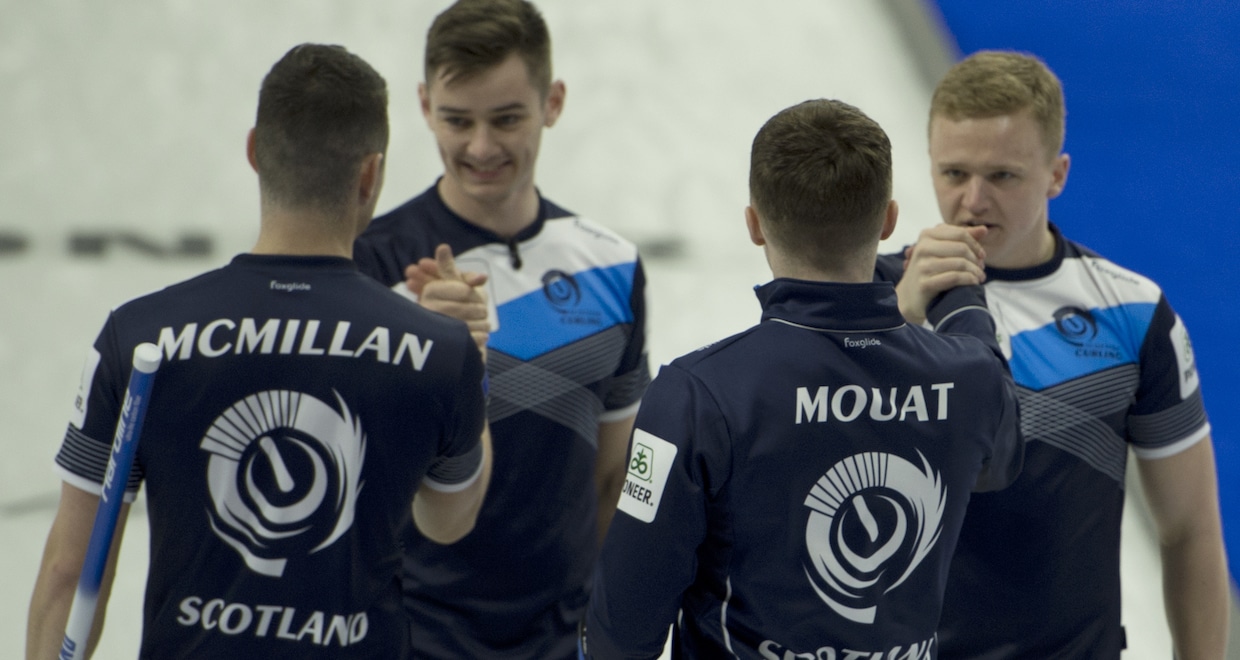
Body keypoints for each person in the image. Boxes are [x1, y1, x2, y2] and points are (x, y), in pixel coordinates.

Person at [26, 43, 492, 660]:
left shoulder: (141, 336)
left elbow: (69, 573)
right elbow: (448, 520)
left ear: (253, 151)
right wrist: (474, 365)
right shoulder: (438, 353)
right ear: (370, 174)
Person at [580, 99, 1023, 659]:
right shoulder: (972, 378)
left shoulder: (698, 395)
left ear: (755, 225)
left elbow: (623, 627)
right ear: (888, 219)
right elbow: (999, 459)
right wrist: (963, 296)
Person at [877, 50, 1229, 658]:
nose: (973, 201)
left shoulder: (1132, 313)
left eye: (1003, 177)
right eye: (953, 174)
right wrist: (898, 322)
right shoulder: (871, 299)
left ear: (1057, 174)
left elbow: (1190, 529)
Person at [351, 1, 650, 657]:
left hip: (560, 641)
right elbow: (350, 480)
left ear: (554, 102)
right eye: (458, 121)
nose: (481, 148)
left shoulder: (612, 265)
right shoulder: (369, 265)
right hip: (413, 637)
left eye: (507, 119)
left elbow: (613, 479)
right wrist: (421, 358)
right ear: (425, 106)